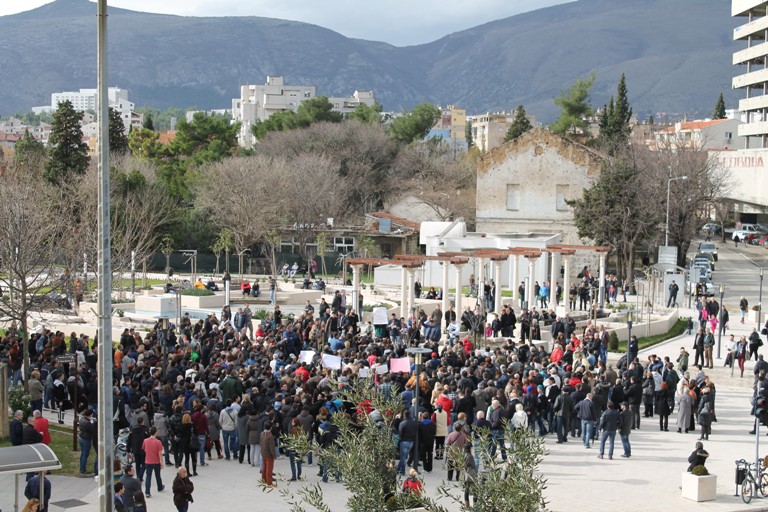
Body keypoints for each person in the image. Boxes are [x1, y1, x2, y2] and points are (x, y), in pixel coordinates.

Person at [142, 426, 165, 497]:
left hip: (148, 461)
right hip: (156, 461)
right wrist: (162, 462)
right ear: (156, 432)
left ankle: (147, 492)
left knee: (148, 476)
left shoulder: (145, 441)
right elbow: (160, 453)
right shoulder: (158, 442)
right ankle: (160, 487)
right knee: (158, 475)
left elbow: (143, 449)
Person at [77, 409, 96, 476]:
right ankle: (83, 470)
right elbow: (91, 430)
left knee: (83, 454)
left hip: (81, 438)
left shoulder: (82, 419)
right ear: (90, 414)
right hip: (86, 439)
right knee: (85, 455)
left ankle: (81, 468)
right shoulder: (87, 422)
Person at [260, 421, 277, 487]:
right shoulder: (270, 436)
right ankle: (269, 482)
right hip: (269, 454)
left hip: (263, 452)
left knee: (264, 467)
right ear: (271, 428)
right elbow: (272, 447)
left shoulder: (262, 433)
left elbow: (260, 442)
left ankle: (263, 479)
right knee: (269, 469)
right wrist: (274, 455)